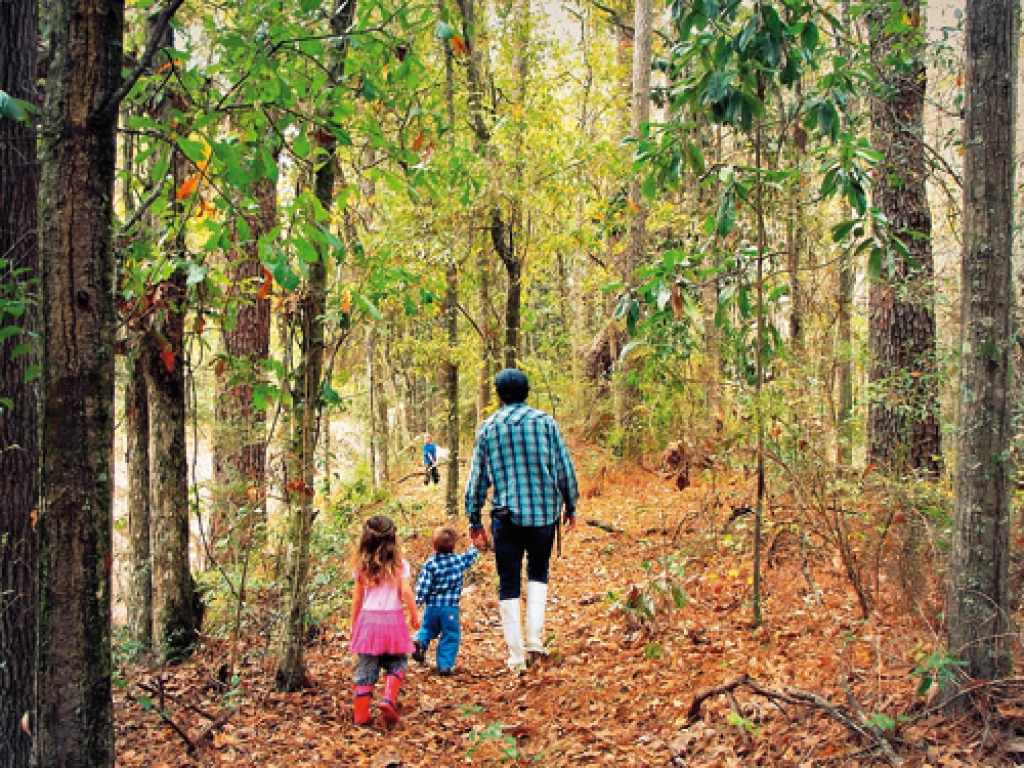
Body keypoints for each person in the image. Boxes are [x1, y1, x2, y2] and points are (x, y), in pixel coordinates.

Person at [465, 368, 579, 671]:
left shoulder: (489, 428)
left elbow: (477, 479)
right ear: (527, 392)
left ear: (499, 395)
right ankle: (534, 641)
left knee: (508, 582)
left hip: (506, 516)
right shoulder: (545, 424)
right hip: (543, 514)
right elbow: (564, 467)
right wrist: (571, 505)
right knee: (539, 573)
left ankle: (516, 658)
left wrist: (474, 518)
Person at [349, 515, 420, 725]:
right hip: (393, 620)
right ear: (393, 539)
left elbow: (357, 600)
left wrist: (354, 626)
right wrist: (414, 615)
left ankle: (361, 715)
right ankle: (388, 697)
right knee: (398, 660)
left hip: (368, 622)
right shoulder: (400, 565)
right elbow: (406, 592)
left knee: (366, 667)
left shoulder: (362, 567)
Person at [411, 525, 479, 676]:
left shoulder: (430, 564)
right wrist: (475, 545)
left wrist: (417, 602)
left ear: (434, 546)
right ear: (454, 545)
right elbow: (470, 557)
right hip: (450, 609)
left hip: (432, 607)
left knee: (428, 628)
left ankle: (420, 642)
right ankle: (445, 665)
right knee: (450, 635)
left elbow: (423, 585)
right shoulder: (458, 561)